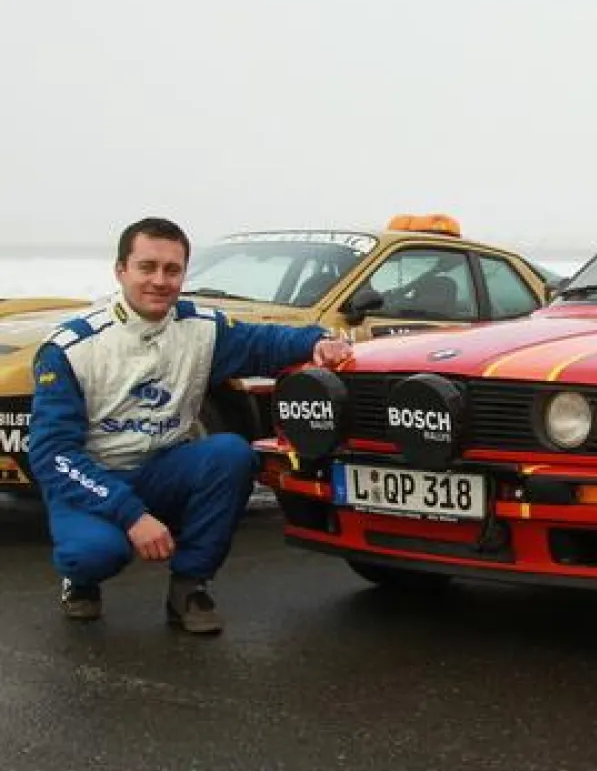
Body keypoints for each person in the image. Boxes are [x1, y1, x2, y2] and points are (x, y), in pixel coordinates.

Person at [27, 217, 353, 634]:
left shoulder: (201, 328)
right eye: (147, 267)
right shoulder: (70, 348)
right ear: (120, 271)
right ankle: (81, 581)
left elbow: (266, 343)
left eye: (172, 269)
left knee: (232, 454)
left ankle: (189, 587)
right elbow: (52, 455)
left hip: (162, 469)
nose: (160, 281)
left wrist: (317, 341)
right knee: (94, 553)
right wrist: (131, 515)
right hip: (96, 478)